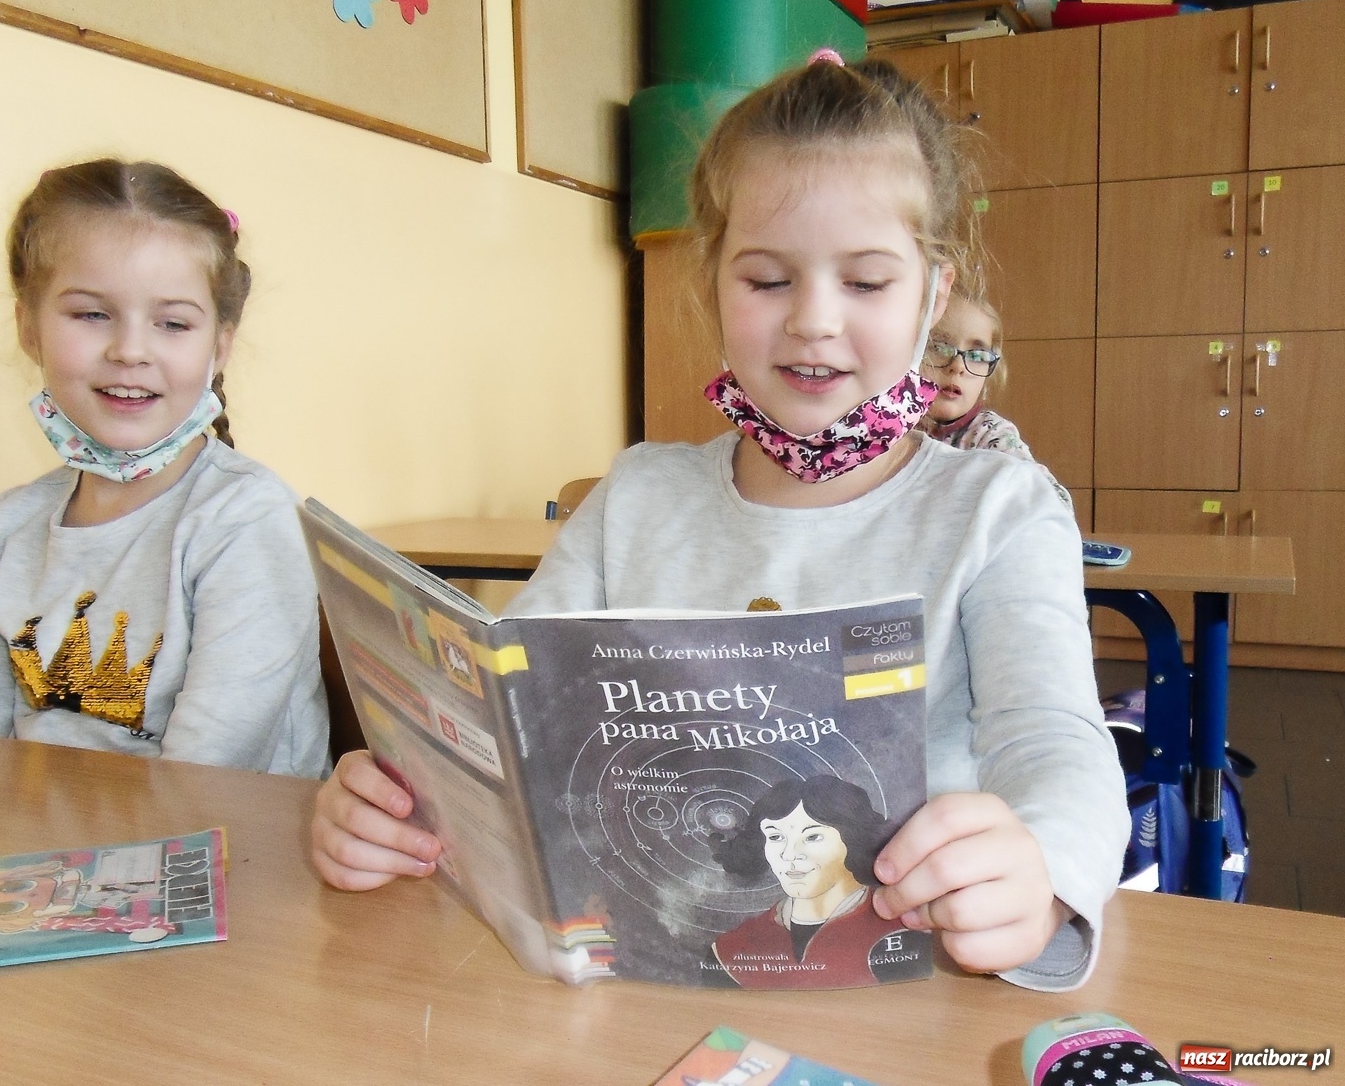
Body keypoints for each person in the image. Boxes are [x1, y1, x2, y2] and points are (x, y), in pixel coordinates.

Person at [310, 53, 1128, 990]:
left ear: (934, 295)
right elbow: (505, 712)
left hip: (901, 988)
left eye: (866, 282)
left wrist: (1045, 877)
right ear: (713, 282)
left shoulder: (998, 511)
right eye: (768, 280)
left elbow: (1056, 741)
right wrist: (400, 806)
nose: (813, 321)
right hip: (642, 973)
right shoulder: (637, 499)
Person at [0, 159, 329, 777]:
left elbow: (207, 772)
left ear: (219, 345)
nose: (131, 351)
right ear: (28, 327)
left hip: (218, 852)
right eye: (91, 314)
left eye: (172, 324)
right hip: (40, 861)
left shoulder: (245, 519)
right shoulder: (11, 524)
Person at [709, 776, 929, 989]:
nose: (789, 855)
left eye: (812, 837)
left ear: (851, 839)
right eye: (775, 837)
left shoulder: (906, 930)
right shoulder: (731, 949)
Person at [921, 293, 1072, 506]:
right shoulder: (883, 426)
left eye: (977, 356)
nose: (957, 365)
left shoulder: (987, 434)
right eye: (938, 347)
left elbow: (1054, 503)